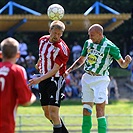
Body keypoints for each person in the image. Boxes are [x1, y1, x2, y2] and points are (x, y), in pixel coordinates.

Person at [65, 24, 132, 133]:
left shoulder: (110, 47)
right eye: (89, 35)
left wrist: (127, 62)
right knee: (86, 110)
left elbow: (122, 64)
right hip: (87, 78)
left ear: (100, 34)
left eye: (92, 35)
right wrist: (69, 70)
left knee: (100, 110)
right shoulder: (88, 43)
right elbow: (81, 60)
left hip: (100, 80)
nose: (90, 37)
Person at [28, 20, 70, 133]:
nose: (56, 36)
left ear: (62, 34)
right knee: (47, 114)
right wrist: (39, 62)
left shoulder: (62, 49)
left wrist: (39, 79)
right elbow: (42, 54)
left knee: (53, 112)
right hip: (43, 78)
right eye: (54, 33)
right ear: (49, 30)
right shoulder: (42, 40)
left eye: (59, 34)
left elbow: (55, 69)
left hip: (55, 79)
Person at [0, 37, 36, 133]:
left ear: (0, 54)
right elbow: (25, 101)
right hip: (5, 125)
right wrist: (33, 97)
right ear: (18, 55)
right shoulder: (17, 70)